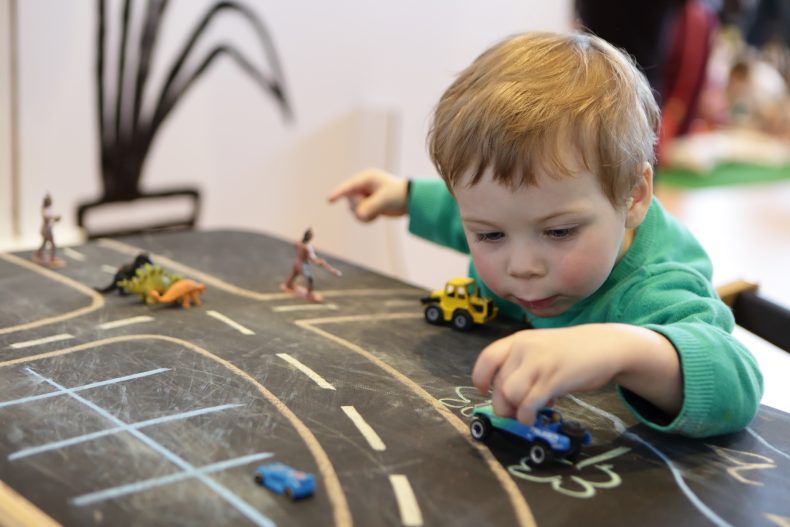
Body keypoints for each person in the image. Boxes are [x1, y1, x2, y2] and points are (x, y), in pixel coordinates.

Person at [328, 31, 763, 438]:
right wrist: (404, 195)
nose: (522, 266)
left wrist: (620, 349)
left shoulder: (654, 287)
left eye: (558, 232)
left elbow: (737, 381)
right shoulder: (518, 215)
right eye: (491, 237)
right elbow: (463, 211)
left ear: (633, 197)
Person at [281, 228, 342, 302]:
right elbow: (313, 259)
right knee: (310, 279)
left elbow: (296, 246)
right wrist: (321, 262)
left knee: (294, 274)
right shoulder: (307, 248)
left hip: (297, 262)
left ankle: (288, 284)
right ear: (309, 237)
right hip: (303, 265)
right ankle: (309, 293)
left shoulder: (298, 242)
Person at [33, 193, 65, 268]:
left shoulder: (49, 209)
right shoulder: (45, 209)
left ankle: (39, 253)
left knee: (44, 243)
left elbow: (50, 218)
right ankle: (52, 258)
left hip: (48, 229)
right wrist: (54, 217)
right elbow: (47, 217)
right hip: (46, 230)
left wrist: (55, 219)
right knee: (53, 245)